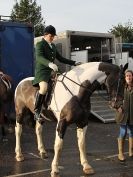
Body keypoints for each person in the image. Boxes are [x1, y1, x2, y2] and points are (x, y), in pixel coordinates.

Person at [32, 25, 81, 122]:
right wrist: (49, 63)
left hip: (53, 71)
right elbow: (39, 58)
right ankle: (37, 111)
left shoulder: (53, 46)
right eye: (51, 36)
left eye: (53, 36)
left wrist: (74, 63)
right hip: (42, 72)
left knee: (63, 83)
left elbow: (61, 59)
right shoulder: (40, 44)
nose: (52, 38)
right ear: (45, 35)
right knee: (44, 88)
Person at [115, 69, 133, 162]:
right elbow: (115, 100)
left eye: (130, 75)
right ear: (125, 78)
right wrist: (118, 106)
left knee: (131, 132)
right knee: (123, 132)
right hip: (123, 114)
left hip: (132, 115)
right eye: (127, 76)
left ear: (132, 77)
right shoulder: (120, 87)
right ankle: (120, 153)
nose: (128, 77)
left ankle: (131, 151)